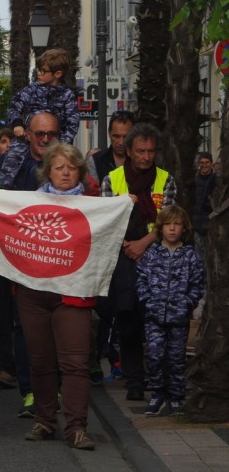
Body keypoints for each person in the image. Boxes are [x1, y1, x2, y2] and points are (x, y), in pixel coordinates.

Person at [21, 143, 97, 450]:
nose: (65, 173)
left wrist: (124, 205)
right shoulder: (27, 203)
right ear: (47, 171)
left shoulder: (94, 206)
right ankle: (44, 421)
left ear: (79, 171)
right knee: (40, 361)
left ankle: (76, 428)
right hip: (34, 292)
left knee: (75, 363)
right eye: (58, 167)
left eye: (71, 167)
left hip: (74, 294)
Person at [101, 123, 177, 401]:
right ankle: (134, 379)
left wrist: (144, 243)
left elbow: (169, 221)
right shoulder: (113, 179)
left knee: (155, 318)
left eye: (151, 152)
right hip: (122, 257)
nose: (146, 157)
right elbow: (106, 221)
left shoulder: (165, 179)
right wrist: (127, 245)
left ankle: (159, 378)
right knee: (127, 316)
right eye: (141, 151)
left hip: (157, 256)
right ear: (129, 151)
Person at [0, 111, 61, 418]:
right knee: (23, 326)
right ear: (29, 135)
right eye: (40, 134)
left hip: (60, 261)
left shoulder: (67, 163)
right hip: (23, 259)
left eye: (52, 134)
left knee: (60, 325)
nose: (46, 139)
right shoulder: (14, 165)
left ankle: (56, 389)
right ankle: (31, 391)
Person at [136, 205, 205, 417]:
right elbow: (141, 279)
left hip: (179, 317)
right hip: (154, 316)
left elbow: (198, 284)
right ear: (161, 228)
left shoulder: (190, 255)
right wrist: (147, 300)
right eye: (168, 224)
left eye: (177, 224)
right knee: (155, 355)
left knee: (176, 358)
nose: (172, 229)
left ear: (184, 228)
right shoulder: (152, 254)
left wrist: (187, 303)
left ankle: (175, 397)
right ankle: (157, 395)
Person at [87, 111, 134, 384]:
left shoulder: (140, 159)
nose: (119, 141)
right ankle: (97, 355)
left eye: (124, 136)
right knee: (101, 303)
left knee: (126, 303)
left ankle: (121, 360)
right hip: (104, 243)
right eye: (115, 136)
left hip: (132, 242)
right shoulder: (96, 161)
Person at [0, 49, 79, 190]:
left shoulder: (67, 95)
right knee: (11, 163)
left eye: (43, 71)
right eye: (39, 70)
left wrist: (61, 144)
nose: (39, 73)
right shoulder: (31, 90)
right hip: (25, 140)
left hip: (55, 145)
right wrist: (17, 124)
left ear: (58, 74)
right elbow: (14, 106)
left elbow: (73, 124)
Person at [192, 151, 218, 261]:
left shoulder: (217, 179)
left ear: (211, 163)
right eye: (201, 162)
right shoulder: (194, 180)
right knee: (198, 254)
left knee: (211, 255)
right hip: (196, 223)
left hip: (211, 223)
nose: (204, 165)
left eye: (207, 162)